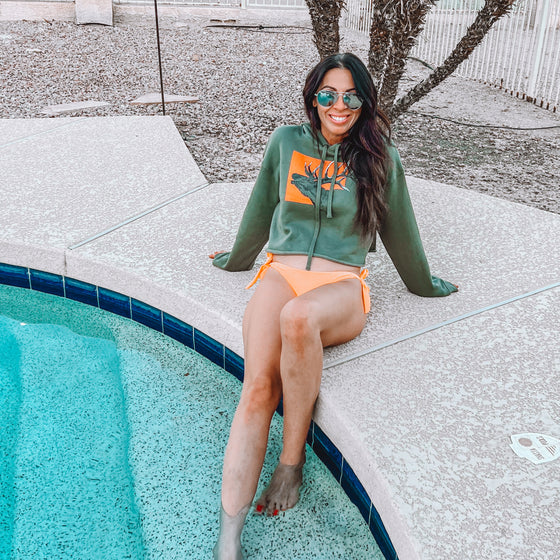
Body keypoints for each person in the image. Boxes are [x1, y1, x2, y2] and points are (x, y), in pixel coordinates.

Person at [210, 52, 457, 560]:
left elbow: (400, 233)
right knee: (257, 387)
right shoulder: (285, 143)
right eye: (327, 95)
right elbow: (261, 207)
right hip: (281, 270)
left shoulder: (380, 159)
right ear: (313, 98)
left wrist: (425, 284)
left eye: (350, 96)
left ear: (364, 102)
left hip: (342, 284)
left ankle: (291, 461)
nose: (338, 106)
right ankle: (228, 540)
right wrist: (237, 259)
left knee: (298, 319)